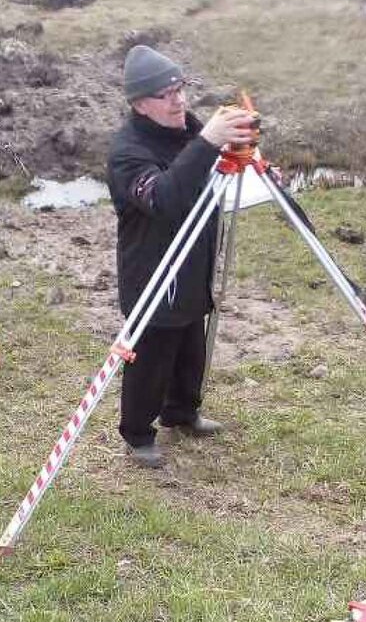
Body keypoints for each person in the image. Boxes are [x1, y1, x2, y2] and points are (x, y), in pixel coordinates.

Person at [107, 44, 257, 467]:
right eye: (165, 94)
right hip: (153, 275)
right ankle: (138, 434)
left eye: (180, 89)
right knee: (153, 353)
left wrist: (237, 150)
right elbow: (166, 199)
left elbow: (206, 168)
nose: (178, 101)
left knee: (192, 339)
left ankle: (183, 411)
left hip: (193, 261)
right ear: (139, 103)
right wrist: (209, 140)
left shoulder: (187, 128)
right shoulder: (127, 153)